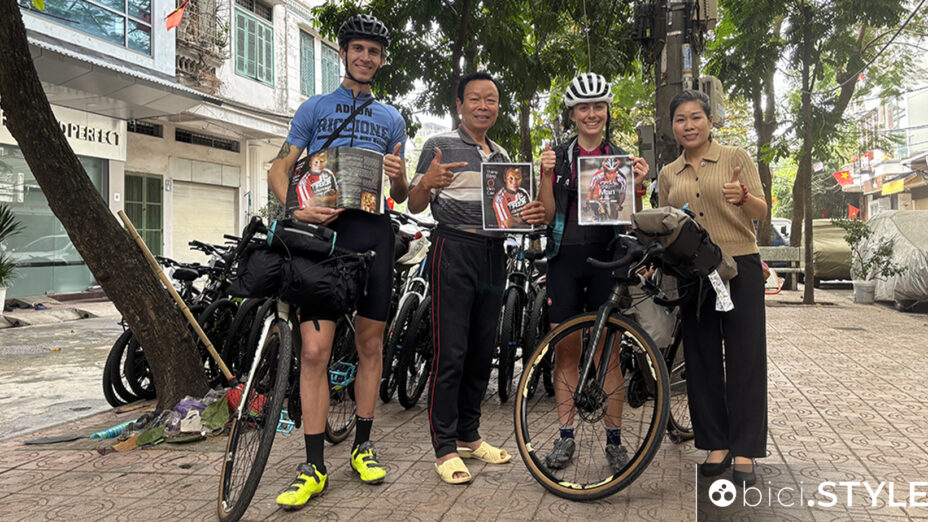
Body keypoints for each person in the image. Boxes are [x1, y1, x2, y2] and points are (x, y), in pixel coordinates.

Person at [266, 13, 408, 509]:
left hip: (373, 231)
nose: (365, 57)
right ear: (343, 53)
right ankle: (313, 465)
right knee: (313, 351)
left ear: (382, 60)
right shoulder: (314, 108)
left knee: (371, 345)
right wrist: (294, 208)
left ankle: (363, 446)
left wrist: (397, 176)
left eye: (374, 51)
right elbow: (279, 167)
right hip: (321, 235)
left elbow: (404, 194)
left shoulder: (392, 119)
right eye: (358, 49)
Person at [407, 71, 546, 484]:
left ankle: (469, 434)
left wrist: (530, 214)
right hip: (452, 249)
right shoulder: (439, 146)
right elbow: (415, 202)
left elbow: (511, 215)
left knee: (482, 349)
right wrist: (427, 183)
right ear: (460, 105)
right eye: (475, 99)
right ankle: (445, 446)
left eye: (491, 99)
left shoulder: (502, 158)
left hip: (492, 254)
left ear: (497, 107)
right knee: (450, 351)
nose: (484, 106)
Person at [530, 72, 649, 473]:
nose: (592, 114)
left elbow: (632, 219)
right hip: (564, 258)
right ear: (573, 114)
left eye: (598, 106)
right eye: (584, 107)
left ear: (607, 111)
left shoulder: (619, 157)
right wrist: (545, 175)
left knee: (608, 353)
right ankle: (566, 438)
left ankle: (614, 441)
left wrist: (638, 184)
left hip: (608, 258)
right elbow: (545, 214)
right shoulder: (558, 156)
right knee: (567, 351)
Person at [658, 89, 767, 486]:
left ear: (710, 120)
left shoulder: (736, 158)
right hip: (696, 275)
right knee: (702, 359)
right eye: (681, 119)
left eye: (696, 117)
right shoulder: (669, 173)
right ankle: (715, 444)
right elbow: (666, 223)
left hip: (739, 267)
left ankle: (744, 450)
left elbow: (761, 212)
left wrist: (743, 198)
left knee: (745, 357)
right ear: (673, 127)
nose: (689, 125)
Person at [585, 157, 628, 221]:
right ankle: (597, 215)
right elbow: (591, 190)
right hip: (601, 187)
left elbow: (622, 193)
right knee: (594, 199)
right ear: (604, 171)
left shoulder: (621, 178)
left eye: (614, 172)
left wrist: (619, 204)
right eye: (609, 173)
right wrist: (587, 203)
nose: (611, 175)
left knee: (614, 205)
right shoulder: (597, 176)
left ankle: (612, 222)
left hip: (614, 189)